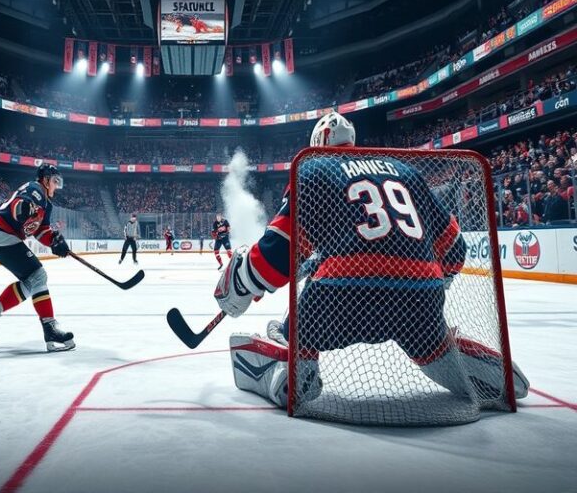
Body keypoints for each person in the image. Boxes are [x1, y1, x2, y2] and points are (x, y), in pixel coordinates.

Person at [214, 112, 529, 408]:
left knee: (287, 328)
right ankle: (484, 370)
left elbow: (277, 255)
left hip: (341, 294)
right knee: (434, 344)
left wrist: (240, 282)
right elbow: (455, 249)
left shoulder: (311, 167)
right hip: (420, 299)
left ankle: (294, 372)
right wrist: (431, 287)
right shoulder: (406, 170)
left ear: (317, 144)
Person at [0, 164, 74, 352]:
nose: (56, 186)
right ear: (45, 179)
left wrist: (55, 242)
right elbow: (20, 207)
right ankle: (49, 329)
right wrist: (25, 209)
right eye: (55, 181)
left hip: (3, 237)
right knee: (38, 276)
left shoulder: (46, 203)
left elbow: (41, 231)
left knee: (33, 280)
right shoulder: (35, 190)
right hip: (2, 235)